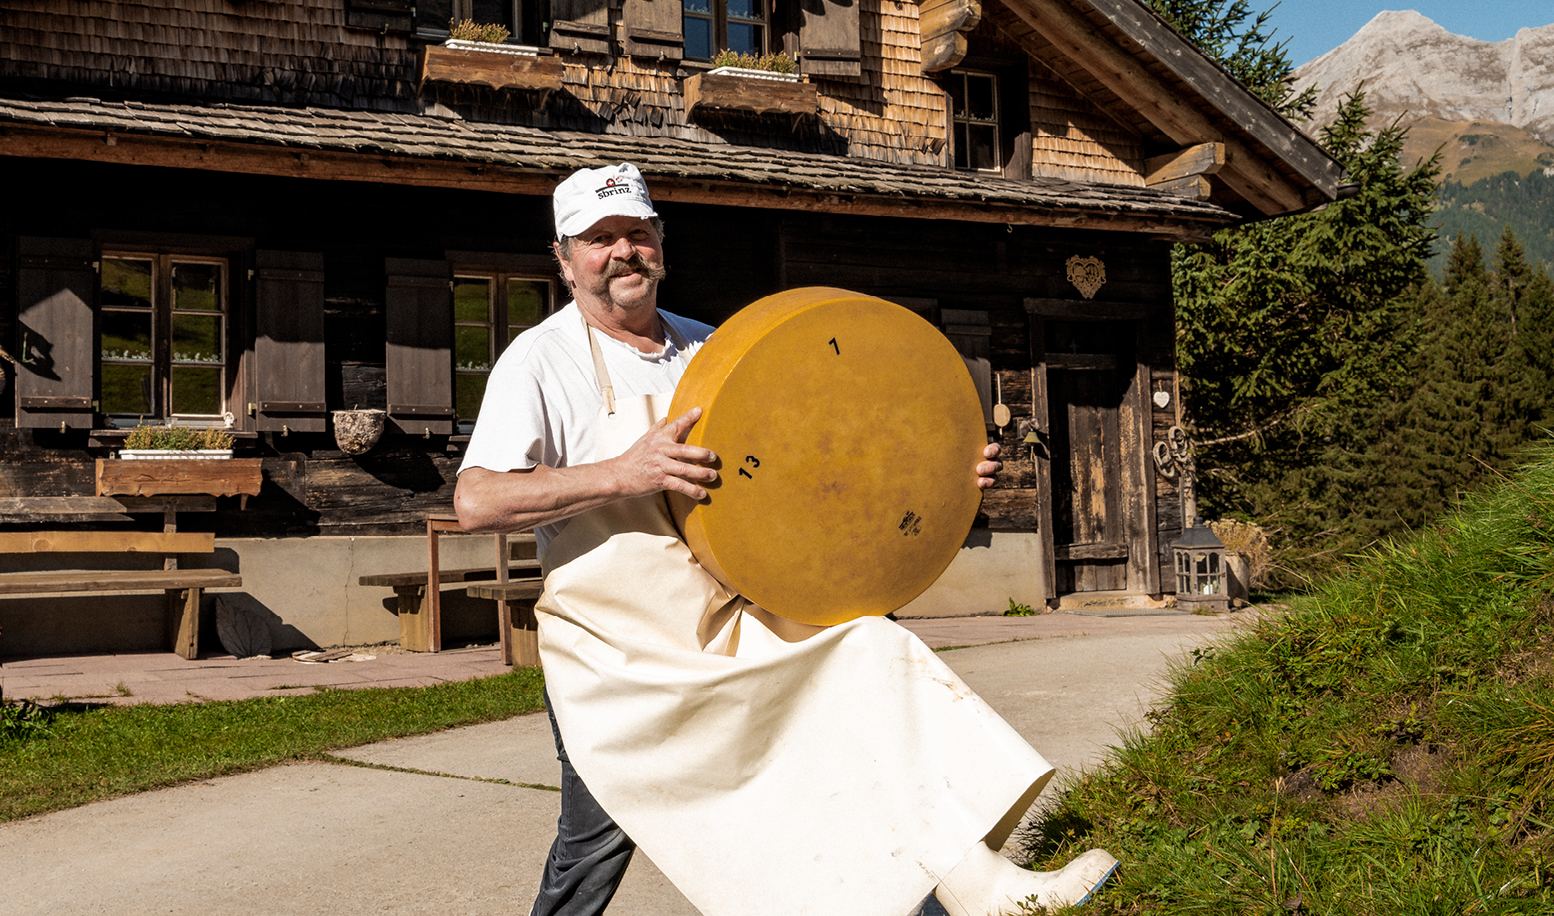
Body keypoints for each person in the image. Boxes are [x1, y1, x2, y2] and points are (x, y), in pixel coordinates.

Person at [455, 163, 1117, 916]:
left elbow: (829, 447)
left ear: (661, 244)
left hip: (738, 611)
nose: (623, 253)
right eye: (599, 239)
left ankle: (981, 889)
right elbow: (477, 500)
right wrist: (621, 473)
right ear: (565, 258)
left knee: (868, 672)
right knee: (597, 832)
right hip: (620, 642)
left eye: (637, 234)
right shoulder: (541, 359)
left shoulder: (718, 350)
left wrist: (940, 464)